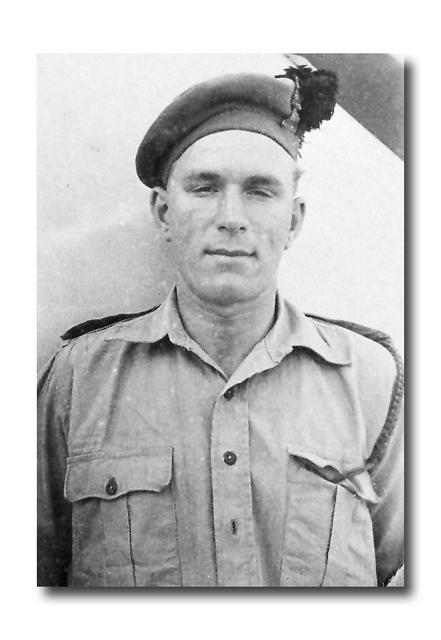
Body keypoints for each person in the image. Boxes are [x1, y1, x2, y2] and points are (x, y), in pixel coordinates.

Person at [37, 64, 404, 588]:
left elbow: (394, 573)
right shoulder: (81, 379)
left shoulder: (369, 380)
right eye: (205, 187)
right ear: (163, 213)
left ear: (293, 220)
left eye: (260, 191)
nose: (232, 216)